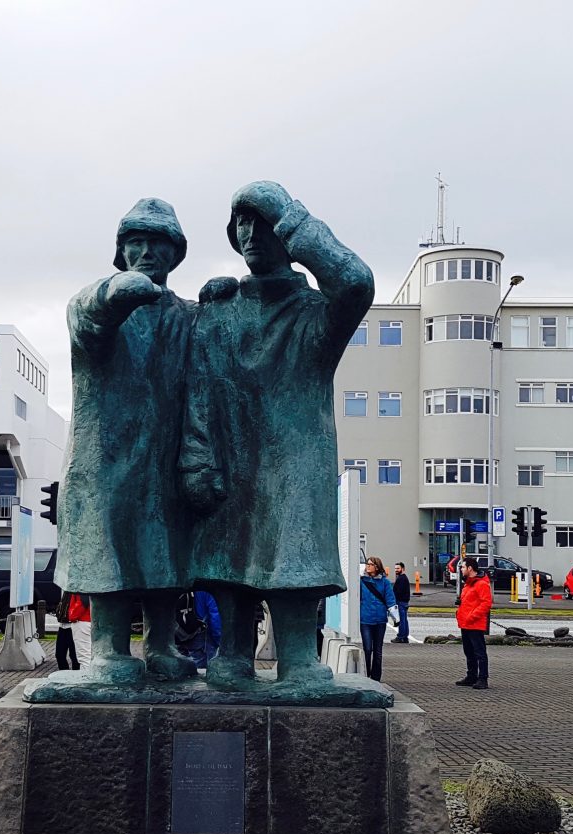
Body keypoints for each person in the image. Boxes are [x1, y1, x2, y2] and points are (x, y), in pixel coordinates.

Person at [179, 180, 374, 689]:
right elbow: (198, 386)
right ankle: (233, 654)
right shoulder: (219, 309)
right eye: (242, 223)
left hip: (295, 455)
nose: (251, 234)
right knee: (228, 550)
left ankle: (298, 658)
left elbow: (355, 280)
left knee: (294, 549)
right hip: (229, 451)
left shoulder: (316, 313)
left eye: (263, 224)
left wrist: (290, 216)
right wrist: (197, 456)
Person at [53, 198, 198, 687]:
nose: (147, 251)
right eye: (136, 242)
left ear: (175, 253)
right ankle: (110, 651)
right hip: (104, 458)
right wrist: (116, 295)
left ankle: (161, 645)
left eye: (159, 242)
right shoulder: (97, 299)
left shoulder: (187, 316)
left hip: (166, 453)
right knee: (108, 544)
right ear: (121, 250)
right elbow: (89, 323)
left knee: (165, 549)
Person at [455, 557, 492, 689]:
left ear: (470, 568)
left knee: (479, 652)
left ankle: (483, 678)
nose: (461, 569)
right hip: (466, 623)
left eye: (463, 567)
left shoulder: (481, 584)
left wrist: (472, 616)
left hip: (474, 623)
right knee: (469, 651)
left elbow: (486, 603)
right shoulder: (469, 583)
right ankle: (471, 676)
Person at [359, 556, 396, 682]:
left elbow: (390, 600)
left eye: (370, 564)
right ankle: (367, 674)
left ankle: (375, 678)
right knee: (368, 649)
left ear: (376, 566)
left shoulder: (385, 582)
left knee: (378, 650)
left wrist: (396, 618)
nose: (367, 566)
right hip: (365, 619)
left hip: (380, 620)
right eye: (367, 564)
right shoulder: (361, 581)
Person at [54, 591, 80, 670]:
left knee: (74, 655)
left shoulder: (76, 591)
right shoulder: (66, 591)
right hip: (62, 625)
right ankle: (64, 674)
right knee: (59, 654)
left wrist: (72, 616)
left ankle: (76, 676)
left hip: (73, 626)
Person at [390, 562, 411, 643]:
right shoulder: (403, 578)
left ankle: (401, 636)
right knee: (404, 620)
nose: (396, 570)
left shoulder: (401, 578)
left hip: (401, 602)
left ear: (403, 569)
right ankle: (405, 637)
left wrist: (394, 601)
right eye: (395, 568)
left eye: (398, 568)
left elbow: (398, 592)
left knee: (401, 620)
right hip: (404, 602)